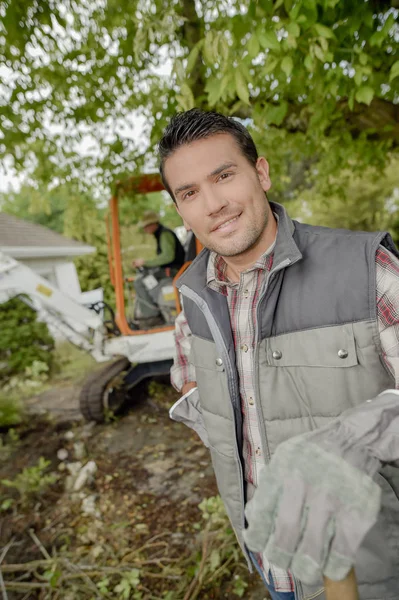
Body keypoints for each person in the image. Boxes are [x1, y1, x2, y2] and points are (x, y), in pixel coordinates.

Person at [158, 108, 399, 600]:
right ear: (180, 211)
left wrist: (358, 439)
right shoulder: (192, 300)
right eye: (189, 193)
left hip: (373, 571)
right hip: (273, 563)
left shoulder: (365, 267)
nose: (213, 204)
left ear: (261, 173)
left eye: (223, 176)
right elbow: (191, 384)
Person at [132, 210, 185, 325]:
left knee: (140, 282)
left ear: (153, 224)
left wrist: (145, 262)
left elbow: (167, 257)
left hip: (174, 272)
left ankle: (152, 317)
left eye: (146, 226)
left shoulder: (165, 235)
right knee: (145, 279)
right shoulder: (161, 234)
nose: (145, 229)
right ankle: (157, 312)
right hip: (170, 271)